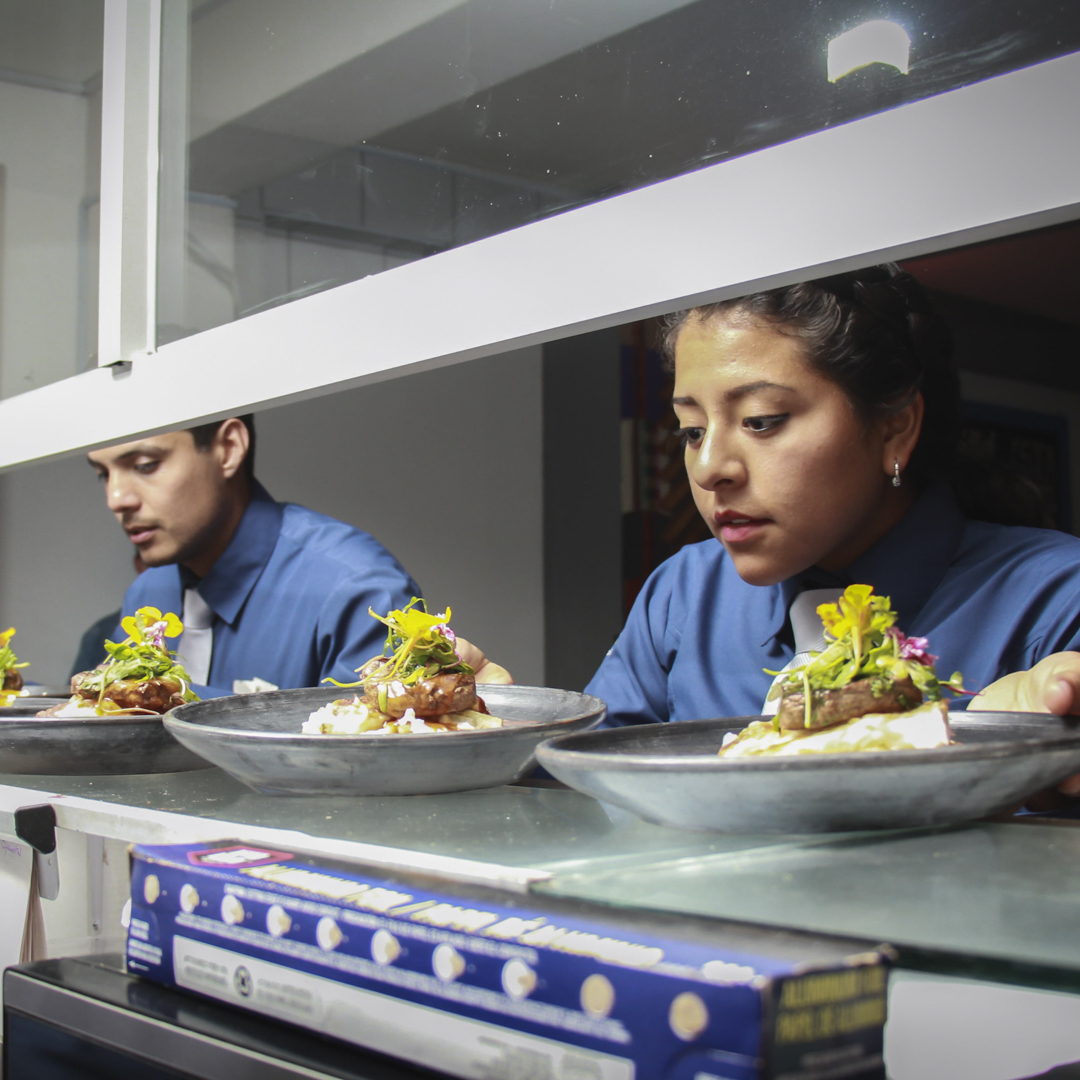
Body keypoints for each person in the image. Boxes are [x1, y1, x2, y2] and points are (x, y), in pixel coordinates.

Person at [583, 265, 1080, 792]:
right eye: (692, 430)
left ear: (895, 428)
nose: (709, 468)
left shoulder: (1056, 597)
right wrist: (490, 714)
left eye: (761, 420)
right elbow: (576, 787)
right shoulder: (683, 593)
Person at [87, 416, 455, 698]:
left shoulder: (358, 590)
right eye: (104, 474)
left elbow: (370, 764)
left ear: (228, 449)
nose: (115, 499)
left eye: (145, 465)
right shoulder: (146, 594)